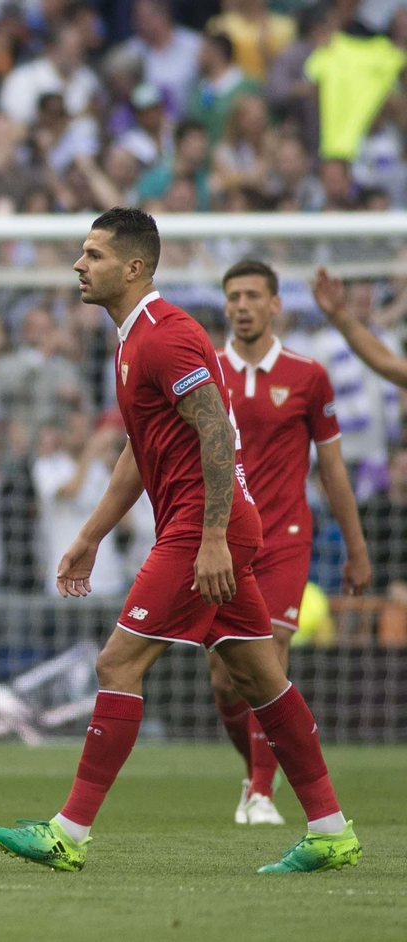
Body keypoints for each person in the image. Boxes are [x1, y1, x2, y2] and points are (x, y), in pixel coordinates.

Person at [0, 208, 359, 874]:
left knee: (117, 665)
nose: (79, 265)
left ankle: (69, 832)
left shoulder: (165, 336)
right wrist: (91, 534)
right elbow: (141, 448)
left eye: (93, 255)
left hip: (199, 527)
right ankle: (330, 829)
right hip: (203, 524)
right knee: (260, 677)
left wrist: (212, 535)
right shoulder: (132, 341)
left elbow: (216, 428)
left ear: (133, 267)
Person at [210, 259, 370, 825]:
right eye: (233, 296)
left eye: (253, 295)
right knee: (226, 680)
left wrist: (356, 548)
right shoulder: (206, 373)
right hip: (221, 544)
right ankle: (256, 771)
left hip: (284, 538)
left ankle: (261, 792)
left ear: (276, 304)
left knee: (270, 655)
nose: (242, 305)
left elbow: (332, 470)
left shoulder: (308, 376)